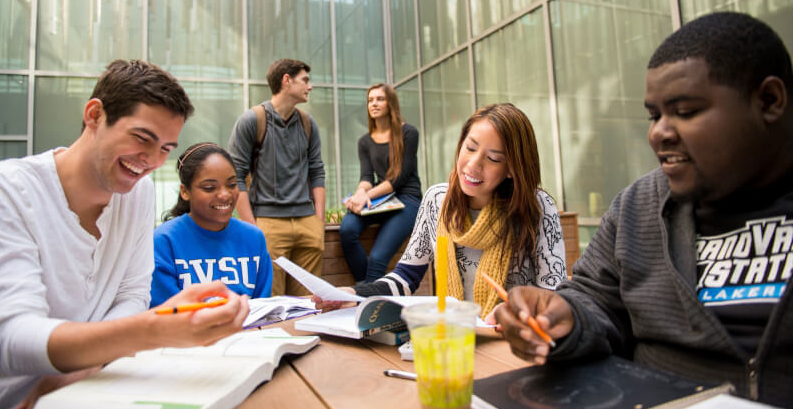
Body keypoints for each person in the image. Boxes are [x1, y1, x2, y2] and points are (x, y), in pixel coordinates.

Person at [495, 12, 793, 409]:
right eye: (654, 115)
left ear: (769, 102)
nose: (659, 133)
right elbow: (594, 299)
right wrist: (565, 315)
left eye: (685, 112)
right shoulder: (637, 206)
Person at [0, 60, 250, 409]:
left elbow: (132, 294)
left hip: (96, 390)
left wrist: (88, 364)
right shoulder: (6, 191)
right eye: (142, 138)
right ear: (94, 115)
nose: (149, 161)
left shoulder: (138, 193)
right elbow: (9, 339)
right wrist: (155, 329)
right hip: (11, 407)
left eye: (165, 149)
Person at [322, 103, 567, 319]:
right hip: (454, 337)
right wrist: (355, 293)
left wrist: (518, 312)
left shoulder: (537, 206)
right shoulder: (437, 200)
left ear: (512, 168)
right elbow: (405, 278)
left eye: (493, 159)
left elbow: (553, 294)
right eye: (470, 148)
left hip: (513, 345)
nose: (473, 165)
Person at [227, 59, 326, 296]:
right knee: (272, 305)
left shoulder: (307, 123)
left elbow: (317, 170)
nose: (309, 86)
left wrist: (318, 221)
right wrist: (252, 227)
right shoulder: (252, 120)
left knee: (310, 304)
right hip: (268, 225)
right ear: (286, 80)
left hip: (307, 224)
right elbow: (236, 175)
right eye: (305, 80)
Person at [150, 143, 273, 307]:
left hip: (248, 330)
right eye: (209, 187)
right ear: (185, 192)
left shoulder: (254, 238)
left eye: (231, 184)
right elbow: (165, 312)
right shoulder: (163, 241)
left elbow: (263, 306)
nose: (224, 194)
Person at [340, 84, 422, 283]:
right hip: (382, 198)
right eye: (370, 100)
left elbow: (398, 178)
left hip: (407, 198)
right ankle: (366, 287)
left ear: (390, 104)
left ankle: (368, 300)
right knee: (347, 230)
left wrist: (366, 196)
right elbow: (367, 176)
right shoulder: (365, 141)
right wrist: (360, 194)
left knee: (377, 258)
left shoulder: (409, 133)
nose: (374, 104)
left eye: (380, 99)